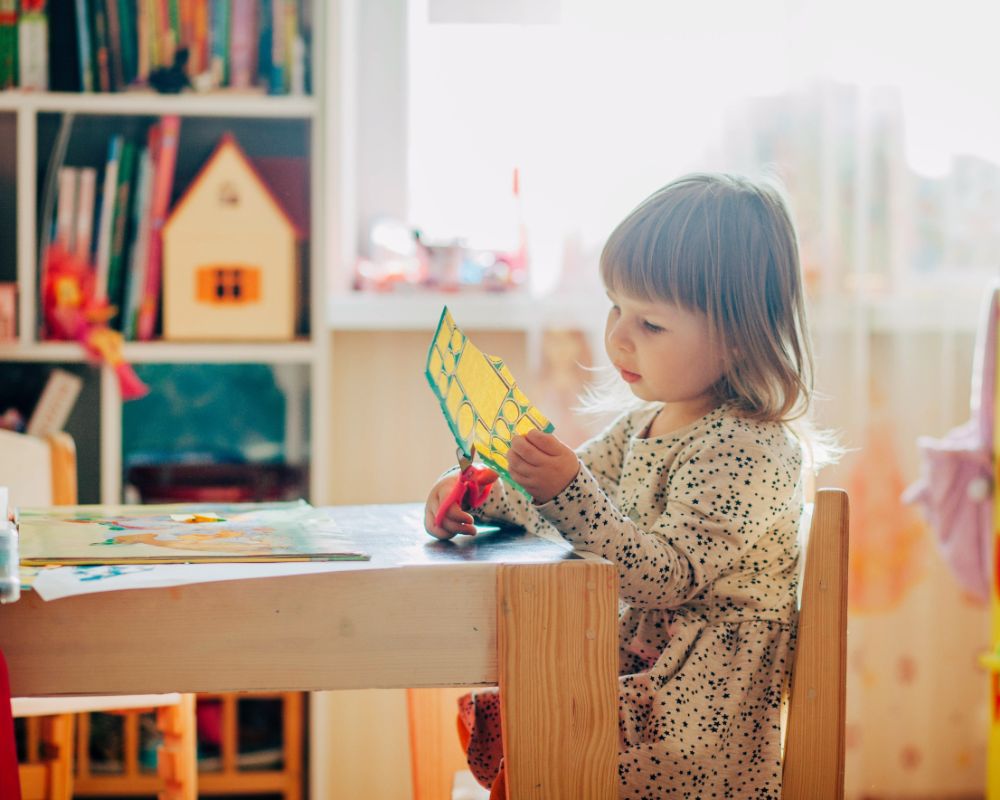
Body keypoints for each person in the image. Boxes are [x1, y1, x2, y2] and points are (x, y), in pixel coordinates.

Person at [425, 172, 824, 799]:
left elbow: (664, 576)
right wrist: (479, 492)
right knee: (521, 704)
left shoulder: (750, 447)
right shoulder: (642, 423)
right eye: (615, 306)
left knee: (544, 731)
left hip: (693, 720)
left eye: (651, 324)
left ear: (741, 334)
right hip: (642, 678)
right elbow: (561, 501)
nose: (617, 336)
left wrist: (565, 489)